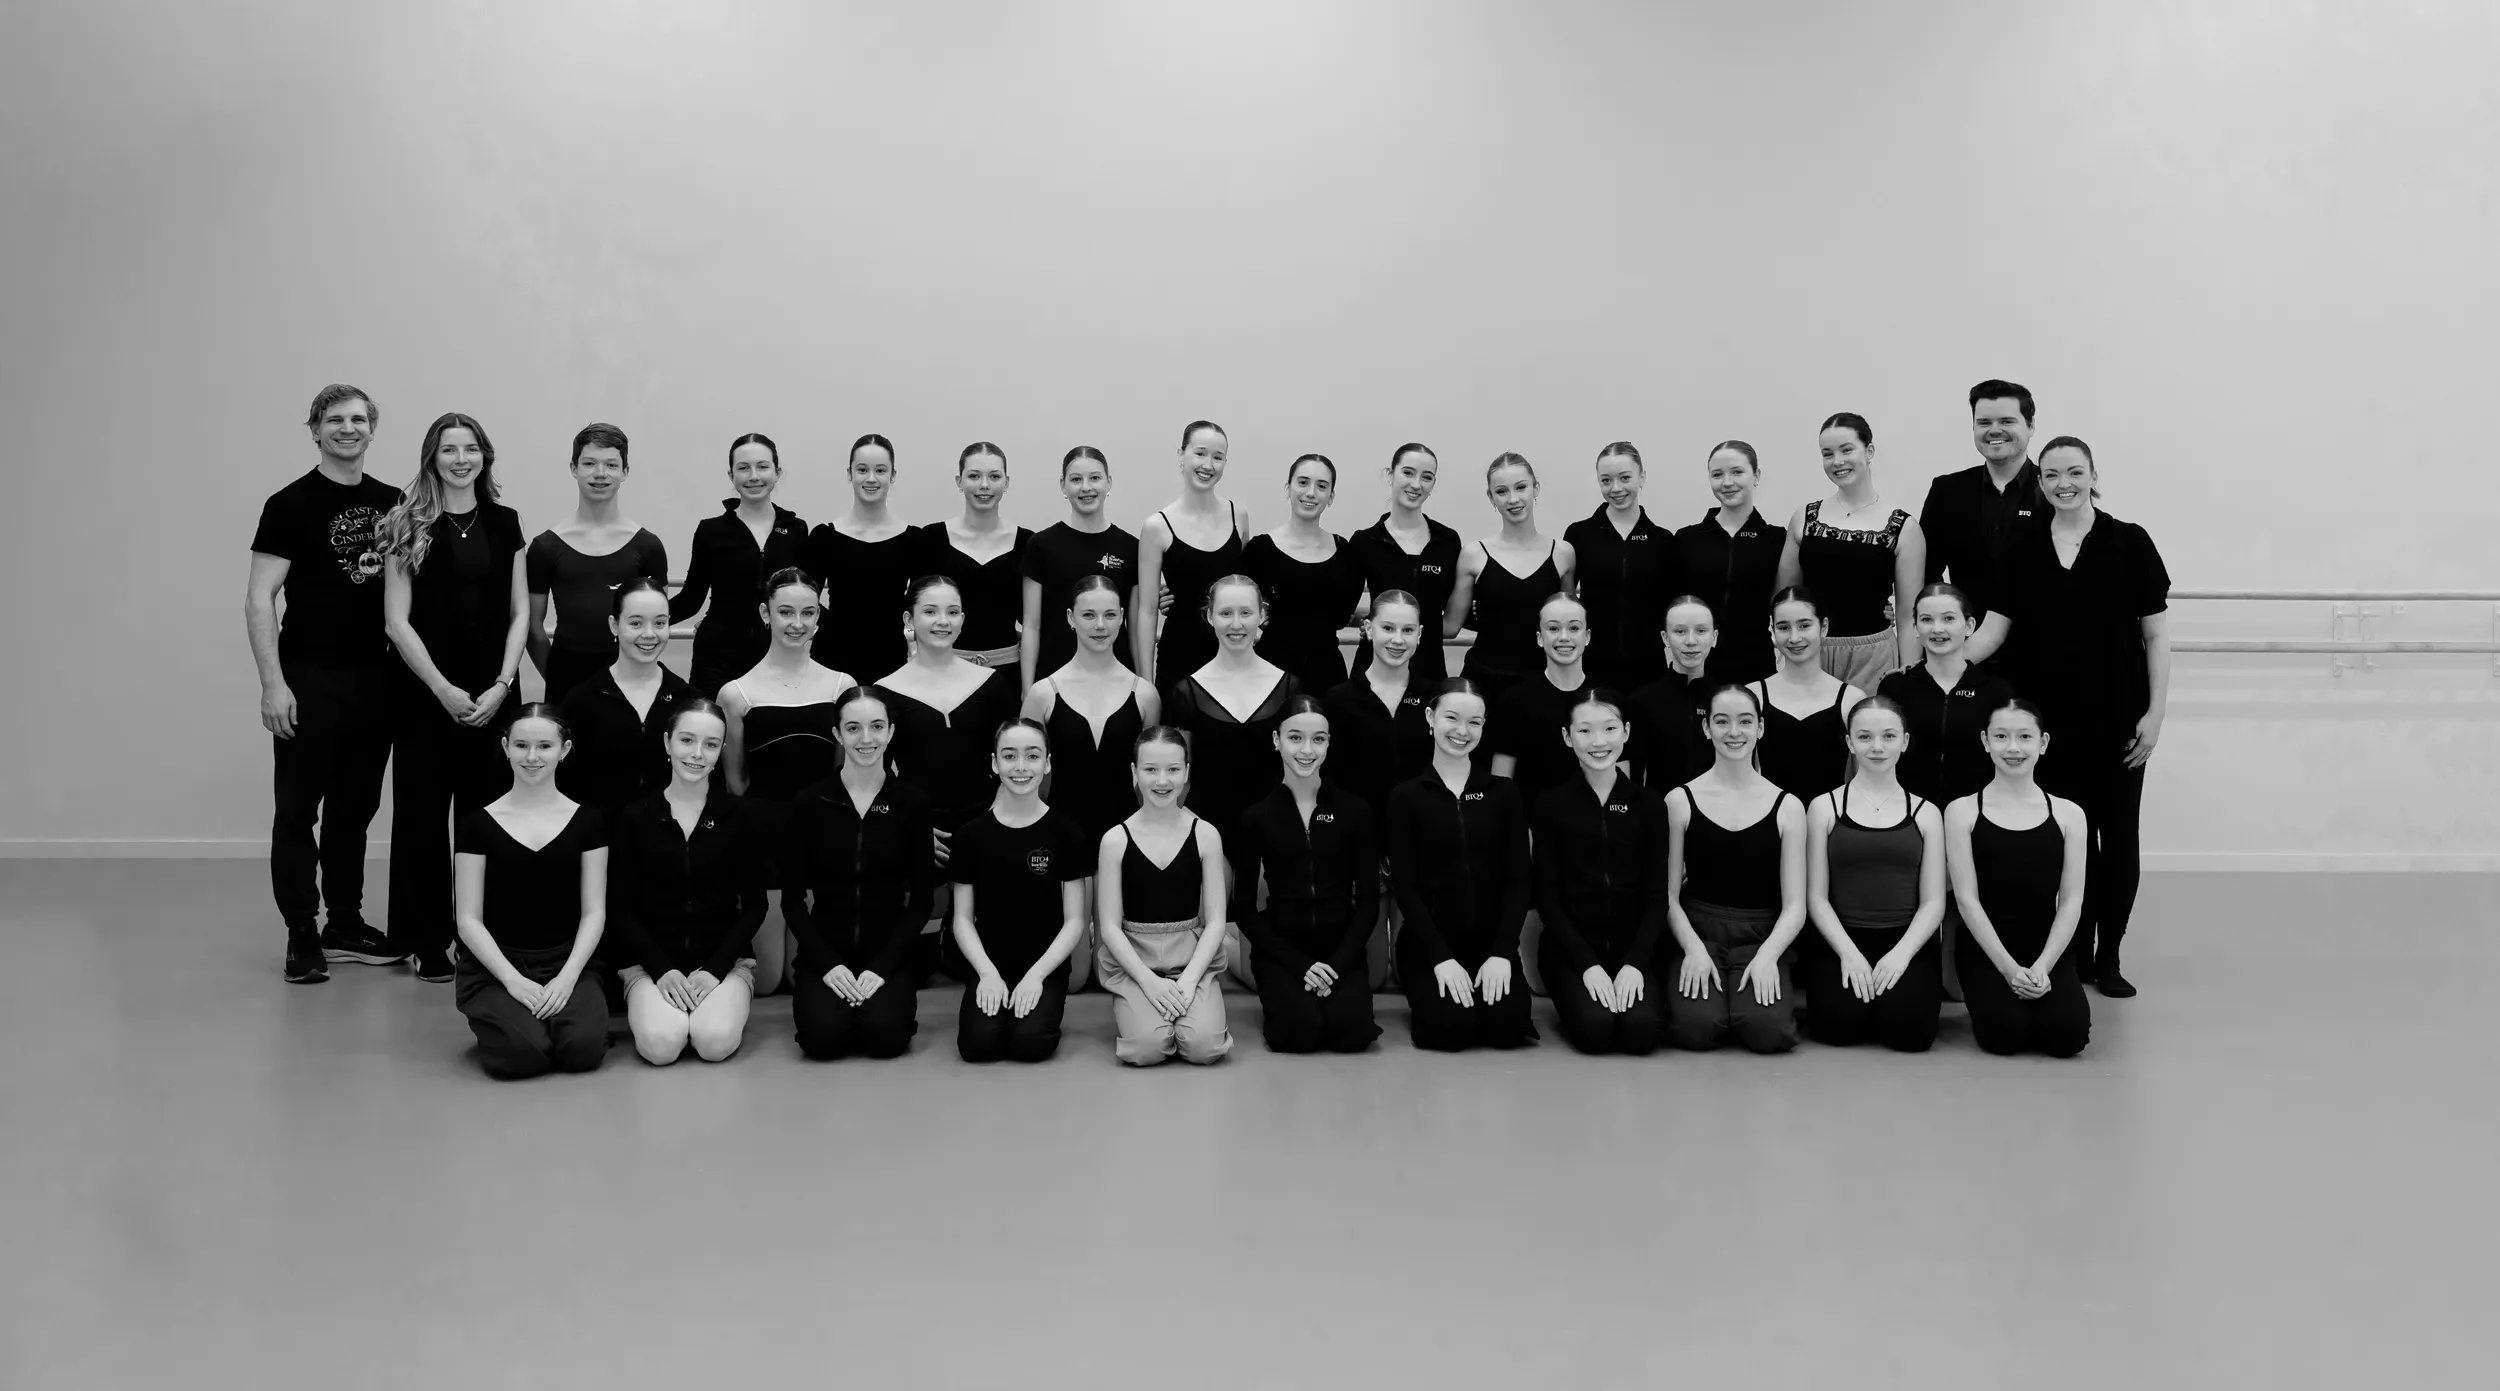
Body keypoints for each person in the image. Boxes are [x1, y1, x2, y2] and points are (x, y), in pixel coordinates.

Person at [1967, 437, 2170, 997]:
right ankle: (2073, 950)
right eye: (2052, 474)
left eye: (2074, 472)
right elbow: (1994, 629)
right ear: (2041, 481)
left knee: (2118, 838)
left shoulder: (2129, 542)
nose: (2063, 483)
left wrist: (2155, 715)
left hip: (2118, 722)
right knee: (2066, 842)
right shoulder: (2021, 543)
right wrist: (1940, 662)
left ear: (2093, 474)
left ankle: (2110, 957)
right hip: (2046, 730)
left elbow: (2156, 635)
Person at [248, 384, 402, 981]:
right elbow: (260, 598)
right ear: (314, 429)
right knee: (296, 811)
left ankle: (344, 923)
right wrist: (273, 684)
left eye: (358, 419)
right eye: (334, 419)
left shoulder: (394, 503)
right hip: (309, 678)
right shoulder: (288, 504)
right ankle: (302, 933)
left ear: (372, 429)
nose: (347, 427)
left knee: (355, 810)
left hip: (376, 681)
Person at [380, 410, 528, 984]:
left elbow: (520, 614)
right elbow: (397, 622)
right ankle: (427, 938)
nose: (461, 459)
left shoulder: (506, 521)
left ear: (484, 457)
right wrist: (442, 689)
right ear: (432, 458)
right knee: (421, 817)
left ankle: (479, 934)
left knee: (485, 817)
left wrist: (502, 685)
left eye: (471, 449)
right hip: (425, 694)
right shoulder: (404, 521)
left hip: (492, 693)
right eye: (449, 450)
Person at [451, 704, 610, 1078]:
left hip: (566, 961)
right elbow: (468, 918)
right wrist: (511, 980)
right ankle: (511, 1023)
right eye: (521, 745)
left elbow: (594, 912)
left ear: (564, 750)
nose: (532, 757)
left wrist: (569, 976)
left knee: (582, 1051)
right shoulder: (478, 824)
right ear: (505, 747)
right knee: (523, 1055)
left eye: (544, 746)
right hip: (497, 966)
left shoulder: (588, 821)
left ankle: (560, 1021)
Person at [717, 567, 854, 994]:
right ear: (766, 613)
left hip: (821, 839)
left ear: (818, 616)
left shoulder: (840, 686)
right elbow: (736, 782)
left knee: (805, 974)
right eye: (786, 612)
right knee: (771, 979)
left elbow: (842, 775)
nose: (797, 624)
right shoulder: (736, 693)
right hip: (765, 838)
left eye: (808, 613)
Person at [609, 699, 768, 1065]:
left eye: (711, 744)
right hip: (651, 964)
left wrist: (716, 970)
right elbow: (621, 907)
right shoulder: (635, 817)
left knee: (713, 1043)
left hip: (723, 963)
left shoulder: (741, 816)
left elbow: (755, 905)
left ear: (721, 751)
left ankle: (715, 1001)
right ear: (667, 743)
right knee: (661, 1046)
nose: (697, 754)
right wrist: (661, 970)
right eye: (686, 741)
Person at [784, 685, 937, 1061]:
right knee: (822, 1041)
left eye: (876, 727)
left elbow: (921, 902)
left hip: (887, 953)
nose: (866, 739)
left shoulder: (912, 803)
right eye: (853, 728)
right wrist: (827, 964)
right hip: (826, 952)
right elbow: (792, 901)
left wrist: (883, 967)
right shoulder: (810, 801)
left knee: (886, 1039)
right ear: (837, 734)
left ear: (891, 732)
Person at [1021, 575, 1159, 990]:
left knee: (1113, 971)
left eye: (1110, 615)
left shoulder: (1144, 694)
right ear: (1070, 618)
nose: (1100, 625)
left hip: (1124, 840)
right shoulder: (1044, 694)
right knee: (1079, 978)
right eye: (1089, 615)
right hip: (1065, 844)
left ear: (1122, 620)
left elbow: (1151, 782)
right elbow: (1023, 779)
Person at [1385, 681, 1537, 1051]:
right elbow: (1405, 886)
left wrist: (1502, 952)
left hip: (1490, 945)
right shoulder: (1405, 796)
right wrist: (1441, 958)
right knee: (1450, 1031)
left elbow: (1519, 880)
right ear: (1430, 718)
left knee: (1506, 1031)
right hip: (1429, 945)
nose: (1461, 731)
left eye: (1475, 722)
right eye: (1451, 718)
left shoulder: (1504, 793)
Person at [1226, 697, 1382, 1054]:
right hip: (1284, 949)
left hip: (1340, 947)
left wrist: (1335, 964)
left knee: (1352, 1034)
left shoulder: (1355, 812)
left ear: (1329, 743)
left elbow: (1369, 903)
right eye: (1295, 738)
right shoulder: (1256, 817)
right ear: (1277, 740)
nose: (1307, 750)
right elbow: (1246, 909)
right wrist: (1302, 966)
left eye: (1319, 739)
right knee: (1298, 1034)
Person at [1662, 684, 1807, 1053]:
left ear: (1760, 727)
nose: (1733, 732)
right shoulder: (1680, 801)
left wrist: (1769, 955)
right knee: (1698, 1028)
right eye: (1722, 721)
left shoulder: (1787, 806)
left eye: (1745, 721)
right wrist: (1693, 949)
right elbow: (1668, 896)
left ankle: (1742, 1001)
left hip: (1760, 934)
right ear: (1706, 728)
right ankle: (1714, 1002)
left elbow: (1795, 905)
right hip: (1700, 931)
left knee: (1768, 1031)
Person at [1943, 700, 2092, 1057]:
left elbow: (2071, 900)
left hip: (2047, 947)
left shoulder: (2070, 814)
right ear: (1985, 741)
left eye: (2024, 737)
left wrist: (2043, 966)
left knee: (2067, 1038)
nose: (2013, 748)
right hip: (1986, 948)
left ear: (2042, 743)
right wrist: (2009, 969)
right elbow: (1967, 899)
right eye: (2001, 736)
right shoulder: (1961, 811)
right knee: (2004, 1037)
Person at [1800, 696, 1946, 1051]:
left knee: (1911, 1037)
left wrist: (1902, 954)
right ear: (1849, 742)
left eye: (1888, 736)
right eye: (1864, 737)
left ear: (1905, 742)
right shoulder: (1824, 808)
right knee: (1838, 1031)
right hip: (1842, 939)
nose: (1877, 747)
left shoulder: (1927, 813)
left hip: (1905, 940)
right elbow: (1816, 897)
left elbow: (1933, 902)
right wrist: (1848, 953)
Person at [1531, 692, 1671, 1056]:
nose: (1598, 742)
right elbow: (1547, 899)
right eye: (1585, 731)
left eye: (1609, 729)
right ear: (1567, 737)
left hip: (1634, 948)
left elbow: (1657, 897)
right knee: (1596, 1032)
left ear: (1625, 732)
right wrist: (1588, 966)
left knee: (1641, 1033)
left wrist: (1635, 963)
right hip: (1572, 950)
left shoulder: (1650, 805)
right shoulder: (1550, 806)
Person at [949, 719, 1095, 1062]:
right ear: (994, 763)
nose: (1020, 767)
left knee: (1030, 1044)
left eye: (1032, 756)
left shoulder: (1066, 832)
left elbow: (1075, 921)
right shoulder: (971, 835)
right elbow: (962, 920)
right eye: (1009, 756)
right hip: (989, 962)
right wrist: (986, 973)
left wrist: (1037, 976)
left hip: (1043, 966)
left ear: (1046, 763)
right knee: (978, 1046)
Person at [1094, 726, 1233, 1066]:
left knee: (1204, 1047)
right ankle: (1141, 1006)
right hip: (1135, 959)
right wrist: (1148, 982)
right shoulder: (1115, 839)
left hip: (1191, 955)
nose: (1162, 780)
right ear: (1134, 772)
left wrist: (1187, 981)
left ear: (1187, 772)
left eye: (1173, 770)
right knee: (1147, 1048)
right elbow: (1110, 927)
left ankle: (1190, 1005)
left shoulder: (1206, 835)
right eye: (1151, 769)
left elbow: (1215, 922)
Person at [1322, 591, 1436, 990]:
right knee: (1369, 978)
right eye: (1388, 628)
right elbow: (1328, 781)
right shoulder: (1338, 700)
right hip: (1360, 849)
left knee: (1409, 974)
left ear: (1421, 635)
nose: (1397, 639)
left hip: (1417, 848)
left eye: (1408, 630)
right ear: (1367, 630)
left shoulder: (1435, 701)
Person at [878, 575, 1023, 883]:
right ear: (909, 618)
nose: (942, 621)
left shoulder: (992, 684)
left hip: (989, 825)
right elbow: (876, 773)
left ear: (962, 620)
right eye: (930, 611)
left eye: (952, 612)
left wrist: (997, 816)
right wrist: (910, 827)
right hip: (921, 835)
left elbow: (1015, 755)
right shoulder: (885, 692)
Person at [1776, 413, 1922, 689]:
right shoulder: (1804, 519)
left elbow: (1907, 615)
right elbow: (1785, 598)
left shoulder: (1904, 527)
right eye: (1827, 454)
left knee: (1866, 730)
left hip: (1873, 657)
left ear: (1869, 451)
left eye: (1847, 450)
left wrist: (1909, 676)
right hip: (1809, 653)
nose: (1837, 462)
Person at [525, 423, 668, 704]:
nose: (600, 474)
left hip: (631, 686)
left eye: (611, 465)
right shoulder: (546, 547)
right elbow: (532, 629)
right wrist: (556, 677)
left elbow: (657, 625)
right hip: (566, 685)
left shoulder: (647, 546)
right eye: (590, 463)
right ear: (573, 468)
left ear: (625, 472)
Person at [1161, 575, 1301, 854]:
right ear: (1209, 616)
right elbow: (1178, 776)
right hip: (1205, 833)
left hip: (1272, 834)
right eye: (1225, 613)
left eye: (1246, 613)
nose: (1236, 624)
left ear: (1262, 615)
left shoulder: (1289, 688)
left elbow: (1297, 769)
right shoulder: (1185, 692)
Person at [670, 432, 808, 697]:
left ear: (777, 472)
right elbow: (690, 599)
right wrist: (642, 620)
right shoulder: (711, 530)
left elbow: (806, 598)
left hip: (778, 658)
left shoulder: (796, 530)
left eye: (762, 466)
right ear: (731, 475)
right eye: (743, 468)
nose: (753, 476)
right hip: (716, 660)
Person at [1446, 453, 1575, 714]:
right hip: (1484, 682)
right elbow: (1449, 626)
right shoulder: (1474, 554)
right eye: (1502, 491)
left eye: (1521, 487)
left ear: (1536, 488)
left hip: (1543, 682)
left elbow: (1571, 626)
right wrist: (1386, 628)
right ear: (1491, 497)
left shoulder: (1563, 554)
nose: (1513, 499)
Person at [556, 578, 695, 820]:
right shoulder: (581, 701)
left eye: (660, 623)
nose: (649, 634)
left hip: (668, 841)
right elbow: (565, 784)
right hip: (599, 844)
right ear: (614, 625)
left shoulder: (688, 700)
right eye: (636, 623)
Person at [802, 434, 928, 683]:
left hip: (894, 659)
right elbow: (804, 601)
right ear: (849, 474)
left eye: (880, 470)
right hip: (833, 659)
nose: (871, 478)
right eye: (862, 470)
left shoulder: (913, 539)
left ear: (893, 476)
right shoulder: (824, 536)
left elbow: (921, 606)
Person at [1919, 380, 2048, 624]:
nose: (1994, 430)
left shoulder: (2054, 491)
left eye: (2007, 421)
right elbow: (1926, 572)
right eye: (1984, 423)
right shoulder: (1947, 491)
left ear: (2030, 425)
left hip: (2042, 644)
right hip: (1964, 645)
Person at [1877, 583, 2017, 806]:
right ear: (1915, 627)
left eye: (1948, 619)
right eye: (1926, 620)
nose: (1937, 629)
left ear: (1969, 625)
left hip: (1974, 818)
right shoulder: (1895, 687)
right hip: (1908, 816)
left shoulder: (1996, 692)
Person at [1134, 420, 1250, 688]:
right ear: (1181, 455)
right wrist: (1144, 684)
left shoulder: (1239, 517)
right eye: (1200, 453)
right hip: (1179, 656)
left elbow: (1243, 587)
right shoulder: (1157, 526)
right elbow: (1147, 612)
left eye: (1217, 457)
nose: (1208, 465)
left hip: (1231, 658)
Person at [1564, 441, 1682, 692]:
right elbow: (1564, 603)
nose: (1615, 488)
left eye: (1625, 478)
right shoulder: (1579, 535)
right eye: (1606, 480)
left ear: (1642, 477)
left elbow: (1674, 607)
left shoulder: (1663, 540)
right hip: (1591, 669)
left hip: (1649, 670)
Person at [1243, 453, 1364, 696]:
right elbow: (1238, 603)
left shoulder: (1346, 553)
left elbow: (1344, 613)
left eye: (1321, 486)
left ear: (1331, 496)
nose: (1311, 492)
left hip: (1328, 674)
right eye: (1303, 482)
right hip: (1271, 673)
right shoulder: (1260, 550)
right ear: (1288, 488)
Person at [1019, 446, 1139, 687]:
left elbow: (1135, 628)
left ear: (1109, 482)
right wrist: (1027, 688)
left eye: (1095, 478)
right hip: (1055, 676)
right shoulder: (1041, 545)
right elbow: (1031, 626)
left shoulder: (1130, 547)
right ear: (1063, 485)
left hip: (1117, 677)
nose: (1086, 487)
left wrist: (1143, 683)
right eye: (1076, 479)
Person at [1345, 444, 1462, 682]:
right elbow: (1345, 609)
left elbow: (1451, 618)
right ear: (1390, 475)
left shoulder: (1447, 541)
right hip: (1373, 669)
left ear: (1433, 485)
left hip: (1429, 669)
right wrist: (1375, 624)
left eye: (1426, 477)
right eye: (1408, 473)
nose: (1416, 484)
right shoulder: (1364, 541)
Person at [919, 442, 1031, 687]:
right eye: (974, 476)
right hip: (942, 674)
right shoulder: (931, 539)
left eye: (994, 476)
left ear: (1007, 482)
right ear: (959, 481)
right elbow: (919, 615)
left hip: (1007, 676)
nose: (984, 485)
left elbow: (1033, 622)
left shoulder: (1028, 543)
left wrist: (1028, 687)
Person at [1677, 440, 1784, 685]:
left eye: (1737, 472)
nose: (1727, 482)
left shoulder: (1777, 539)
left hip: (1756, 667)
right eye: (1717, 475)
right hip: (1696, 668)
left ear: (1756, 475)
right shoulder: (1686, 539)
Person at [1751, 588, 1869, 800]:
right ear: (1772, 629)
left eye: (1804, 625)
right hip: (1770, 825)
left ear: (1823, 627)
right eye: (1784, 627)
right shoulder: (1753, 696)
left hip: (1830, 826)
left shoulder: (1852, 700)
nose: (1794, 638)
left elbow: (1862, 784)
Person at [1489, 593, 1595, 808]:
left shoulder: (1607, 699)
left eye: (1574, 628)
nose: (1564, 637)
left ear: (1587, 636)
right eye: (1553, 628)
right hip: (1532, 831)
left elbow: (1622, 781)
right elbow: (1501, 784)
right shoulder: (1514, 701)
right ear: (1539, 638)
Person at [1628, 596, 1718, 791]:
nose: (1691, 641)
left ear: (1714, 637)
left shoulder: (1726, 700)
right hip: (1660, 813)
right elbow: (1633, 776)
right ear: (1665, 638)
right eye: (1680, 631)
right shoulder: (1642, 701)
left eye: (1701, 631)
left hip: (1718, 814)